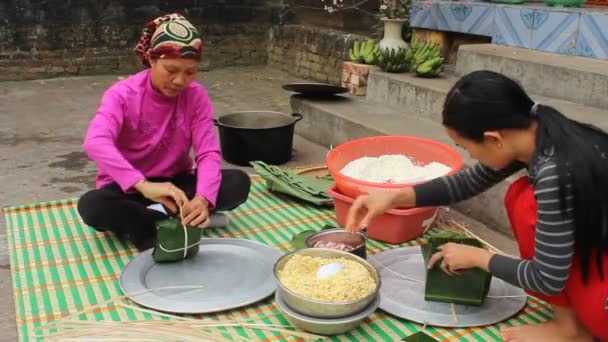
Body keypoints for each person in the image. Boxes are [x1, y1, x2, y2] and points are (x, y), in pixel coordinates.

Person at [346, 70, 608, 342]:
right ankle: (571, 324)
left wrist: (478, 258)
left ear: (494, 138)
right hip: (596, 263)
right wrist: (392, 197)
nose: (469, 156)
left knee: (526, 202)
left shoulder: (555, 173)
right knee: (523, 195)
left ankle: (573, 330)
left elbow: (547, 279)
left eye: (466, 147)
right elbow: (466, 184)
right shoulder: (540, 131)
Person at [77, 13, 250, 251]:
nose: (180, 81)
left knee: (237, 182)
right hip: (130, 188)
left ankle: (165, 215)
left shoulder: (196, 96)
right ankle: (156, 224)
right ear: (151, 59)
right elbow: (95, 142)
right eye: (171, 69)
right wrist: (143, 185)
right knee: (92, 205)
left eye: (190, 72)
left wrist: (203, 199)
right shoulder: (122, 95)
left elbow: (208, 152)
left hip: (177, 186)